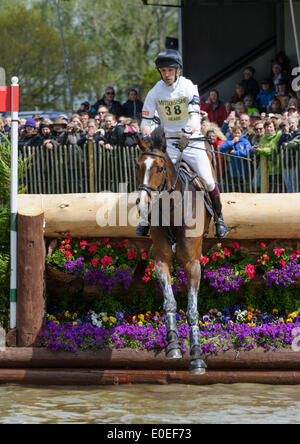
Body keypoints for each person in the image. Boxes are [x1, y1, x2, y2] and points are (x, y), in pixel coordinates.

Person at [137, 48, 228, 238]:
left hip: (190, 139)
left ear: (178, 70)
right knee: (154, 174)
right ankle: (146, 218)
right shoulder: (155, 91)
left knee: (208, 179)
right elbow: (147, 118)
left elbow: (195, 116)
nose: (166, 74)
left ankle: (219, 218)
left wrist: (188, 131)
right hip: (169, 141)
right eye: (163, 71)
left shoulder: (188, 87)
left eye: (170, 70)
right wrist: (146, 129)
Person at [219, 126, 253, 190]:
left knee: (245, 189)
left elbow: (249, 152)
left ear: (241, 133)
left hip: (244, 171)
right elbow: (222, 148)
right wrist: (232, 142)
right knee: (233, 189)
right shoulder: (229, 140)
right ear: (232, 133)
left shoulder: (245, 142)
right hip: (232, 170)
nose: (237, 135)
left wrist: (235, 153)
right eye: (235, 133)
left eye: (238, 133)